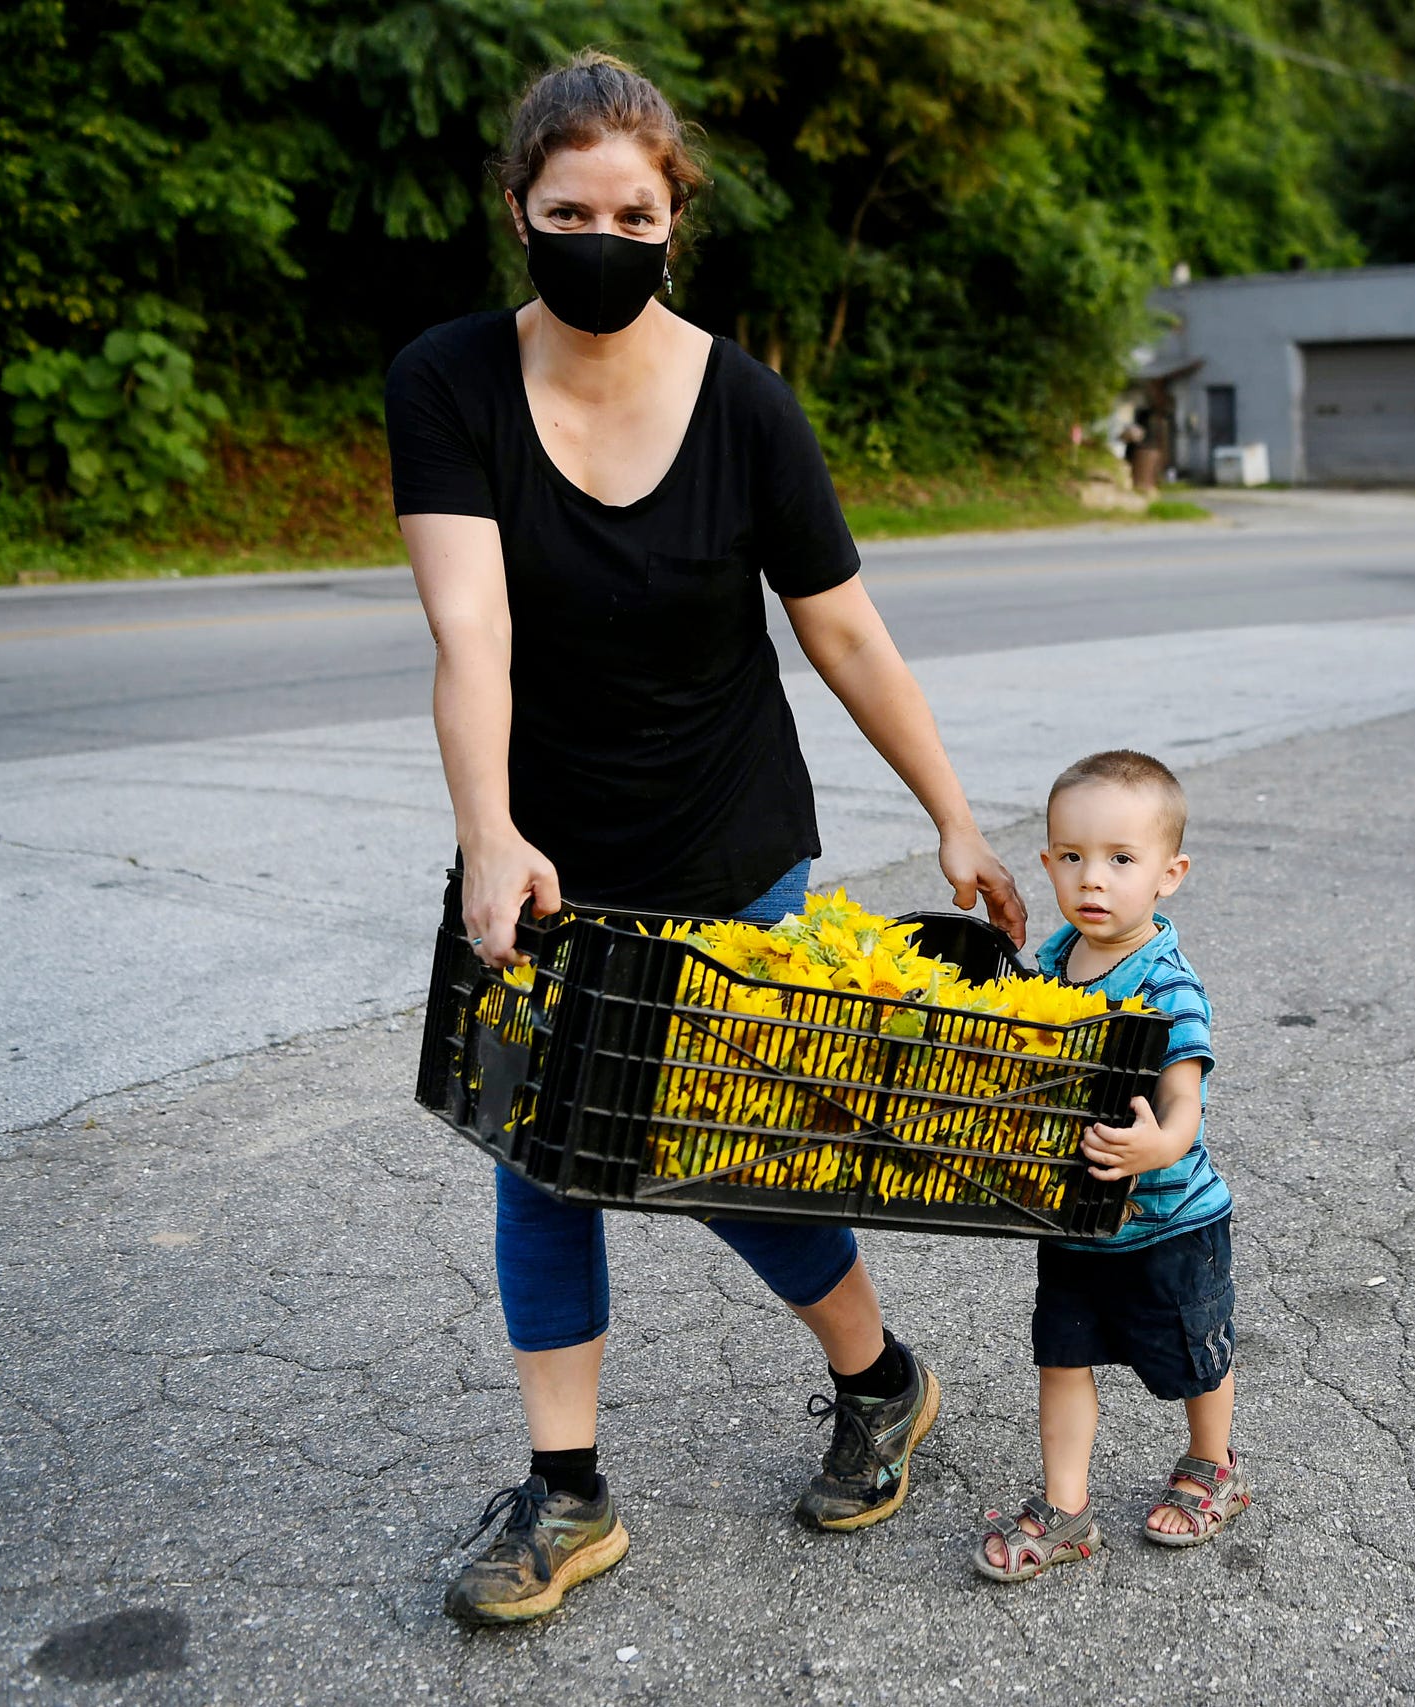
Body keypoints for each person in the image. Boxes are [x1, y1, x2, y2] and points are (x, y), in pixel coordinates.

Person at [386, 50, 1027, 1625]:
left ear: (674, 219)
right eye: (566, 210)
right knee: (546, 1166)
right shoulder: (450, 381)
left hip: (732, 837)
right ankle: (568, 1494)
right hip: (550, 862)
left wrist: (953, 816)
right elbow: (471, 634)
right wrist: (490, 834)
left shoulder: (745, 404)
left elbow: (849, 634)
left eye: (631, 210)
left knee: (737, 1153)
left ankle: (881, 1375)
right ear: (518, 214)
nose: (598, 234)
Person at [973, 751, 1246, 1582]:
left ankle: (1212, 1463)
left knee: (1195, 1356)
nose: (1094, 878)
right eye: (1072, 856)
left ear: (1170, 874)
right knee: (1062, 1355)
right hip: (1077, 1216)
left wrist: (1159, 1143)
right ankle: (1066, 1507)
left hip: (1169, 1217)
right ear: (1050, 858)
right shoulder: (1055, 959)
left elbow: (1184, 1097)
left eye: (1121, 860)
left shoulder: (1167, 981)